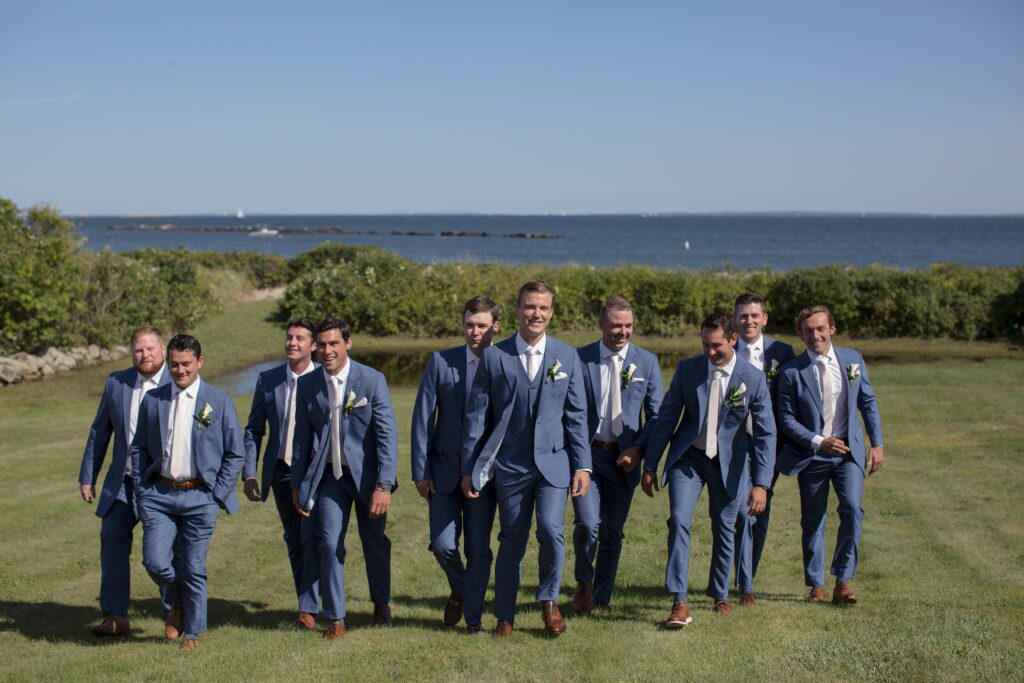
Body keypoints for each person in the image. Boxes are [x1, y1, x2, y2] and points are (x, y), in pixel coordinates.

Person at [461, 280, 591, 638]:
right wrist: (470, 469)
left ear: (551, 312)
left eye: (544, 308)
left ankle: (549, 600)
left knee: (551, 530)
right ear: (518, 311)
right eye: (530, 307)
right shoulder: (494, 356)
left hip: (553, 464)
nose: (537, 314)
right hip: (510, 466)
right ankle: (505, 615)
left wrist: (582, 465)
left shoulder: (567, 356)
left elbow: (576, 416)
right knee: (512, 540)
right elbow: (477, 416)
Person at [642, 313, 776, 628]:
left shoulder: (753, 378)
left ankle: (720, 595)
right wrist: (650, 464)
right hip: (689, 457)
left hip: (731, 462)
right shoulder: (688, 371)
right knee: (678, 520)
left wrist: (761, 484)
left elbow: (767, 434)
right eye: (705, 345)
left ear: (733, 340)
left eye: (716, 345)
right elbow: (666, 419)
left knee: (725, 526)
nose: (710, 352)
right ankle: (679, 600)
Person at [131, 334, 245, 651]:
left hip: (200, 496)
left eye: (186, 364)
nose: (180, 371)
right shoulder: (153, 400)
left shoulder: (218, 401)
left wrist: (217, 492)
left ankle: (193, 633)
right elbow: (138, 447)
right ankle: (176, 602)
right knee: (155, 562)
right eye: (174, 365)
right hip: (159, 495)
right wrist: (143, 489)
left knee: (193, 566)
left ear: (199, 362)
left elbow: (235, 454)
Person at [290, 317, 398, 640]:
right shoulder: (308, 385)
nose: (327, 350)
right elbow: (301, 440)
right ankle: (336, 617)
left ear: (347, 344)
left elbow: (387, 437)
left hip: (367, 478)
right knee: (328, 540)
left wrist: (384, 485)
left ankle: (380, 604)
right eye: (321, 345)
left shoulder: (372, 380)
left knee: (374, 543)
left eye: (333, 343)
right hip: (330, 479)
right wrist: (298, 483)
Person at [775, 305, 884, 606]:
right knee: (813, 519)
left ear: (832, 329)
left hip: (850, 453)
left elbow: (868, 401)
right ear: (801, 334)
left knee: (852, 509)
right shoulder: (790, 373)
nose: (815, 335)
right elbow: (786, 421)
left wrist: (877, 443)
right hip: (812, 455)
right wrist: (819, 442)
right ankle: (816, 584)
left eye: (821, 328)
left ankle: (843, 581)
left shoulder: (853, 359)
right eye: (808, 330)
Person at [410, 296, 501, 633]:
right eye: (469, 324)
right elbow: (422, 418)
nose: (474, 331)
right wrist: (420, 471)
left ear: (495, 327)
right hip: (443, 473)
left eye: (481, 325)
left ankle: (474, 620)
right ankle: (462, 591)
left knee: (478, 549)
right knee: (444, 544)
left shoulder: (504, 362)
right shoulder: (441, 362)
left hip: (484, 477)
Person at [571, 296, 663, 613]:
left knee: (612, 532)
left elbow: (657, 416)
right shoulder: (579, 359)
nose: (623, 332)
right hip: (588, 455)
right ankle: (583, 583)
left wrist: (638, 450)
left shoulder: (647, 362)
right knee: (587, 524)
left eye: (628, 326)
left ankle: (601, 597)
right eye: (616, 326)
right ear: (601, 325)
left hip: (625, 460)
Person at [79, 326, 172, 637]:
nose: (144, 355)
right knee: (111, 537)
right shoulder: (116, 382)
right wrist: (87, 476)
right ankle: (116, 616)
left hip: (161, 484)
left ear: (162, 350)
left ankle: (175, 612)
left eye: (150, 349)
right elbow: (100, 432)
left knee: (163, 552)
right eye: (138, 350)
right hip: (123, 482)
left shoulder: (179, 381)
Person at [242, 318, 321, 629]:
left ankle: (313, 607)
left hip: (316, 473)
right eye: (289, 337)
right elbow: (254, 429)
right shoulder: (268, 380)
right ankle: (307, 608)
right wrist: (250, 472)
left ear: (313, 346)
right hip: (282, 472)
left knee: (314, 538)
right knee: (294, 539)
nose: (292, 343)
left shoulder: (323, 378)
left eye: (300, 338)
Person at [731, 292, 796, 606]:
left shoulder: (781, 353)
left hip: (769, 445)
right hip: (735, 444)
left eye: (754, 316)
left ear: (764, 319)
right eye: (743, 316)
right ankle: (745, 585)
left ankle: (747, 577)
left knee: (760, 511)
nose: (749, 321)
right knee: (742, 512)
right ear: (735, 319)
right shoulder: (725, 349)